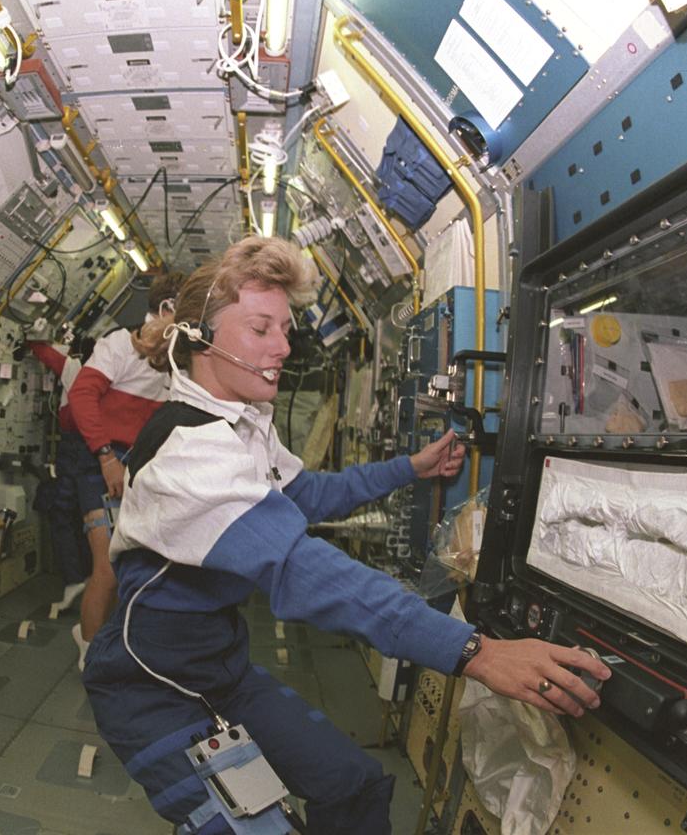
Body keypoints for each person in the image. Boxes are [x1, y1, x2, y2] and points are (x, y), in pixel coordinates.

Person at [83, 237, 611, 834]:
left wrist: (410, 468)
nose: (284, 346)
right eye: (262, 329)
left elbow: (309, 495)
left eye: (286, 328)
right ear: (201, 338)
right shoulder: (187, 450)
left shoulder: (241, 426)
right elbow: (296, 568)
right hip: (148, 689)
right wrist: (475, 652)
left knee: (356, 789)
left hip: (220, 673)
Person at [68, 271, 186, 664]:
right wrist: (105, 457)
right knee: (107, 566)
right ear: (167, 309)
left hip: (139, 467)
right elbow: (82, 395)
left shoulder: (176, 360)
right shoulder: (119, 345)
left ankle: (109, 641)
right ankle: (88, 652)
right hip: (101, 462)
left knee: (130, 565)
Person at [25, 327, 96, 615]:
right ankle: (92, 574)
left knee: (59, 510)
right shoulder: (115, 377)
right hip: (99, 448)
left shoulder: (75, 367)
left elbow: (40, 349)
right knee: (91, 515)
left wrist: (33, 335)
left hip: (75, 449)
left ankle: (74, 579)